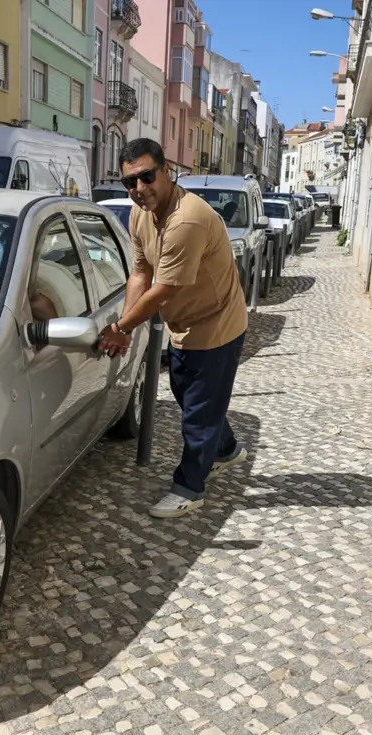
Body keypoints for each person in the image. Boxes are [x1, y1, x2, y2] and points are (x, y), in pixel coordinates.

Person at [98, 138, 249, 519]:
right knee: (189, 394)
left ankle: (190, 487)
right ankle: (227, 450)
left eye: (146, 177)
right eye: (130, 182)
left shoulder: (188, 219)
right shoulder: (140, 215)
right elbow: (140, 273)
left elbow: (163, 291)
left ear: (167, 172)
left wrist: (120, 326)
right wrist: (126, 327)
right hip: (183, 324)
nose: (139, 189)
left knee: (197, 411)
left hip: (216, 324)